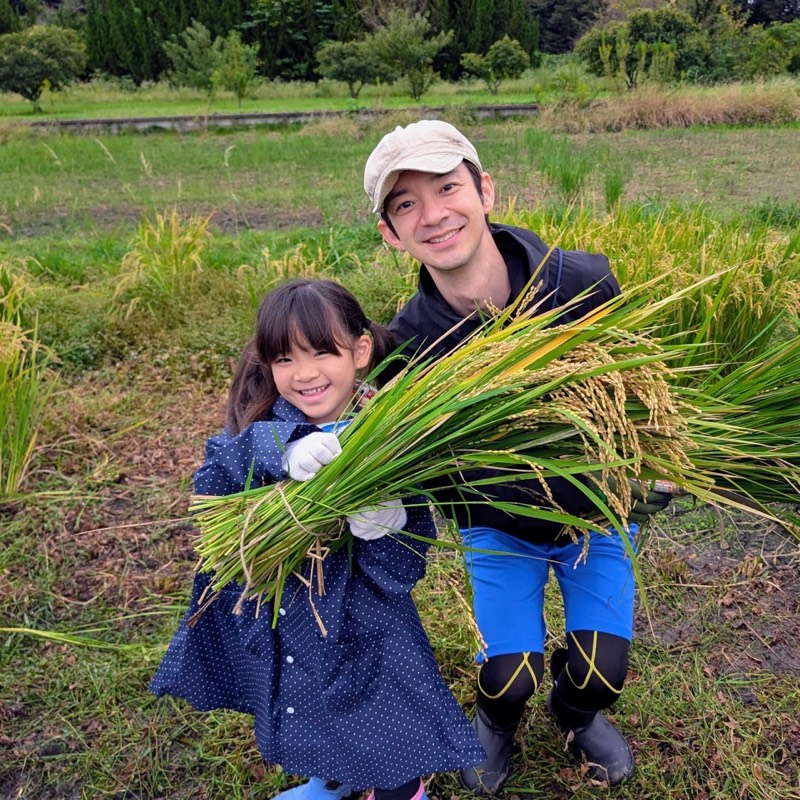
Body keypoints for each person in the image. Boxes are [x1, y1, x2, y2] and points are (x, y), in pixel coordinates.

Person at [363, 120, 672, 792]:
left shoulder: (581, 281)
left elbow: (640, 393)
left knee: (601, 670)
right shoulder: (406, 346)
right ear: (390, 233)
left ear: (485, 191)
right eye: (405, 204)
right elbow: (411, 461)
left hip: (598, 517)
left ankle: (577, 713)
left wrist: (652, 464)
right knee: (509, 676)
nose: (434, 214)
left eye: (447, 188)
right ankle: (495, 723)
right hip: (499, 530)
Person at [150, 278, 485, 800]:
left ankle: (400, 791)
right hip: (293, 616)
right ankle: (332, 781)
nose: (303, 375)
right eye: (284, 360)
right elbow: (213, 480)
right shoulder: (272, 423)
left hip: (369, 628)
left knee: (387, 729)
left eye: (322, 353)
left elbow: (403, 569)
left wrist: (390, 525)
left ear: (360, 351)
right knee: (312, 710)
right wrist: (286, 452)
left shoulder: (391, 436)